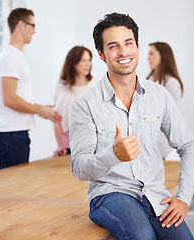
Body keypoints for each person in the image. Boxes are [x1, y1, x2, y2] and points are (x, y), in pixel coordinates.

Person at [69, 13, 194, 240]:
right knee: (142, 236)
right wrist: (112, 155)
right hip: (109, 194)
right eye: (113, 46)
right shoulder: (84, 104)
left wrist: (184, 197)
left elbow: (188, 144)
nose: (123, 52)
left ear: (137, 46)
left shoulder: (159, 95)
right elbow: (79, 167)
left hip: (155, 193)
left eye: (128, 43)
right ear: (101, 54)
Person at [0, 8, 62, 169]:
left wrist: (41, 108)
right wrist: (39, 110)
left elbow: (15, 96)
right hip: (12, 133)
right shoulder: (11, 56)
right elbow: (9, 98)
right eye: (32, 25)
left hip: (14, 133)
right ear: (21, 25)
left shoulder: (14, 55)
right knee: (13, 186)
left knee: (14, 184)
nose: (35, 31)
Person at [53, 46, 97, 156]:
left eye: (89, 60)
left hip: (91, 145)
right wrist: (60, 145)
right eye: (83, 61)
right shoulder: (61, 87)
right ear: (73, 63)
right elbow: (56, 119)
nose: (88, 64)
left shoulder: (96, 84)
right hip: (67, 145)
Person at [147, 42, 184, 159]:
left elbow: (170, 118)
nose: (148, 58)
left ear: (162, 56)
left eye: (151, 54)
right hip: (147, 142)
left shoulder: (171, 83)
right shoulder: (150, 80)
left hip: (162, 145)